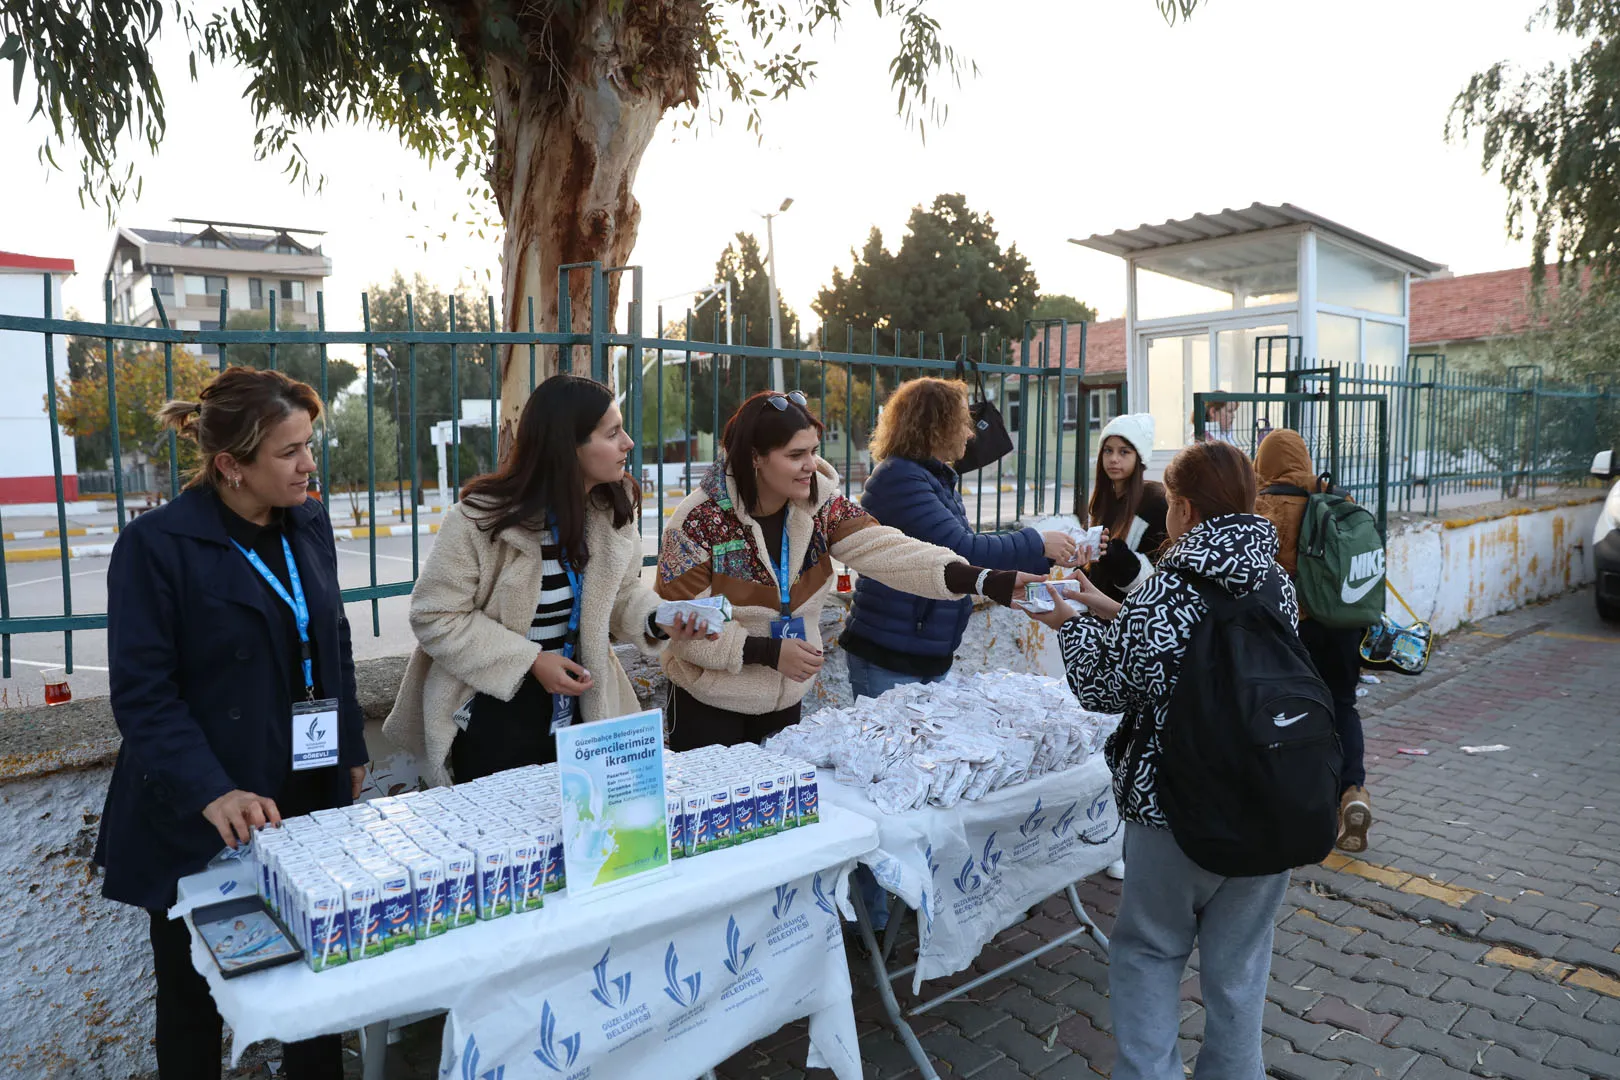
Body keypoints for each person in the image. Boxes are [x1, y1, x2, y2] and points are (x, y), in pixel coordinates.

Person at [96, 367, 365, 1079]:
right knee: (194, 1001)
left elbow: (331, 638)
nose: (310, 465)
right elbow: (145, 695)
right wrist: (214, 791)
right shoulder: (156, 546)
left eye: (310, 446)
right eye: (289, 452)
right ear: (230, 467)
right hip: (202, 814)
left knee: (317, 981)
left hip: (304, 796)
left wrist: (350, 747)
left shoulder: (308, 520)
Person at [1019, 439, 1298, 1080]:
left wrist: (1069, 623)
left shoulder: (1178, 581)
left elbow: (1108, 683)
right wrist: (1097, 601)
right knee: (1240, 964)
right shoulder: (1272, 577)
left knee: (1150, 948)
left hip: (1178, 804)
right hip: (1272, 798)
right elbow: (1185, 647)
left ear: (1183, 509)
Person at [656, 389, 1038, 750]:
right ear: (755, 456)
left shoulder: (821, 506)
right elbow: (678, 624)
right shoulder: (697, 520)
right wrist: (768, 651)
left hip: (785, 697)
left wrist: (986, 579)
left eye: (814, 451)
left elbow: (889, 550)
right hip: (708, 704)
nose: (811, 466)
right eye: (795, 455)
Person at [384, 374, 712, 785]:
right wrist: (532, 662)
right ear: (567, 447)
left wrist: (658, 618)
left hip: (585, 705)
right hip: (496, 708)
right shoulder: (478, 519)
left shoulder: (611, 507)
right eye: (612, 433)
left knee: (592, 837)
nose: (628, 442)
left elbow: (621, 594)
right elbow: (435, 615)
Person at [840, 377, 1072, 699]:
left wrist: (1049, 555)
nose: (970, 433)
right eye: (963, 422)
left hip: (924, 652)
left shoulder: (933, 478)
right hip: (890, 656)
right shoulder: (899, 478)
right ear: (935, 425)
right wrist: (1037, 542)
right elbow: (961, 550)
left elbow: (966, 550)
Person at [1254, 428, 1372, 852]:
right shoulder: (1339, 499)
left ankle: (1297, 806)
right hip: (1343, 624)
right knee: (1342, 705)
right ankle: (1353, 791)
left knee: (1288, 714)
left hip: (1291, 628)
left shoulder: (1262, 505)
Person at [1084, 413, 1169, 605]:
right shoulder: (1104, 501)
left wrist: (1118, 557)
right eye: (1108, 451)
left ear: (1139, 457)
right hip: (1097, 612)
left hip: (1131, 619)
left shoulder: (1155, 503)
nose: (1114, 459)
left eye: (1124, 452)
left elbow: (1156, 578)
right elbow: (1096, 569)